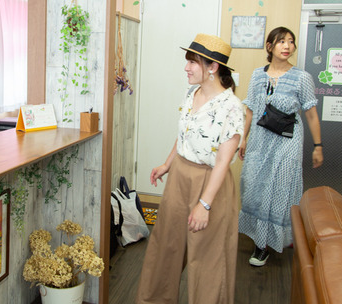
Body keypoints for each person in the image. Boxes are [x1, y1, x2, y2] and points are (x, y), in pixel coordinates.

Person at [136, 34, 244, 304]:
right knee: (166, 246)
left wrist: (204, 205)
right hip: (180, 176)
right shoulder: (191, 94)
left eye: (193, 62)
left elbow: (223, 162)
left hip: (210, 183)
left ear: (213, 67)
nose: (186, 68)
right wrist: (167, 164)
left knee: (207, 258)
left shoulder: (231, 107)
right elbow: (184, 134)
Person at [238, 26, 323, 267]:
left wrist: (318, 145)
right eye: (281, 41)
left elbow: (311, 114)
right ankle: (259, 237)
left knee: (278, 190)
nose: (287, 46)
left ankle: (263, 246)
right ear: (270, 46)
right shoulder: (257, 75)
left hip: (287, 142)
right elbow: (250, 110)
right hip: (259, 141)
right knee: (254, 186)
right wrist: (243, 138)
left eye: (291, 41)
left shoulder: (302, 78)